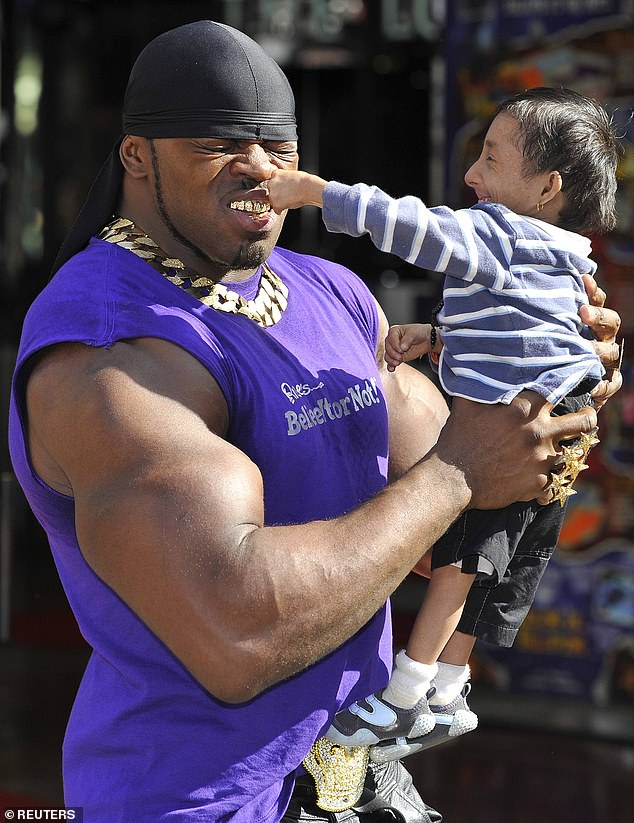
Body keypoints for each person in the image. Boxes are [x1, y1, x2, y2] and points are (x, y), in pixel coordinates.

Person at [8, 20, 621, 823]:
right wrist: (462, 468)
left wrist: (552, 383)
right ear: (137, 156)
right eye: (219, 145)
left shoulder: (332, 292)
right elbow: (236, 635)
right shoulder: (109, 351)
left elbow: (453, 529)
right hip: (199, 802)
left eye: (278, 147)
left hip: (353, 787)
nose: (260, 167)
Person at [266, 87, 623, 759]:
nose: (472, 174)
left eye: (491, 157)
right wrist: (436, 337)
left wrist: (315, 193)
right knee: (496, 566)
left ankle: (405, 693)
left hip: (510, 435)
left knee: (461, 561)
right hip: (563, 434)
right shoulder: (570, 255)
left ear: (546, 187)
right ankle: (452, 691)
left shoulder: (500, 233)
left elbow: (413, 227)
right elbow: (521, 335)